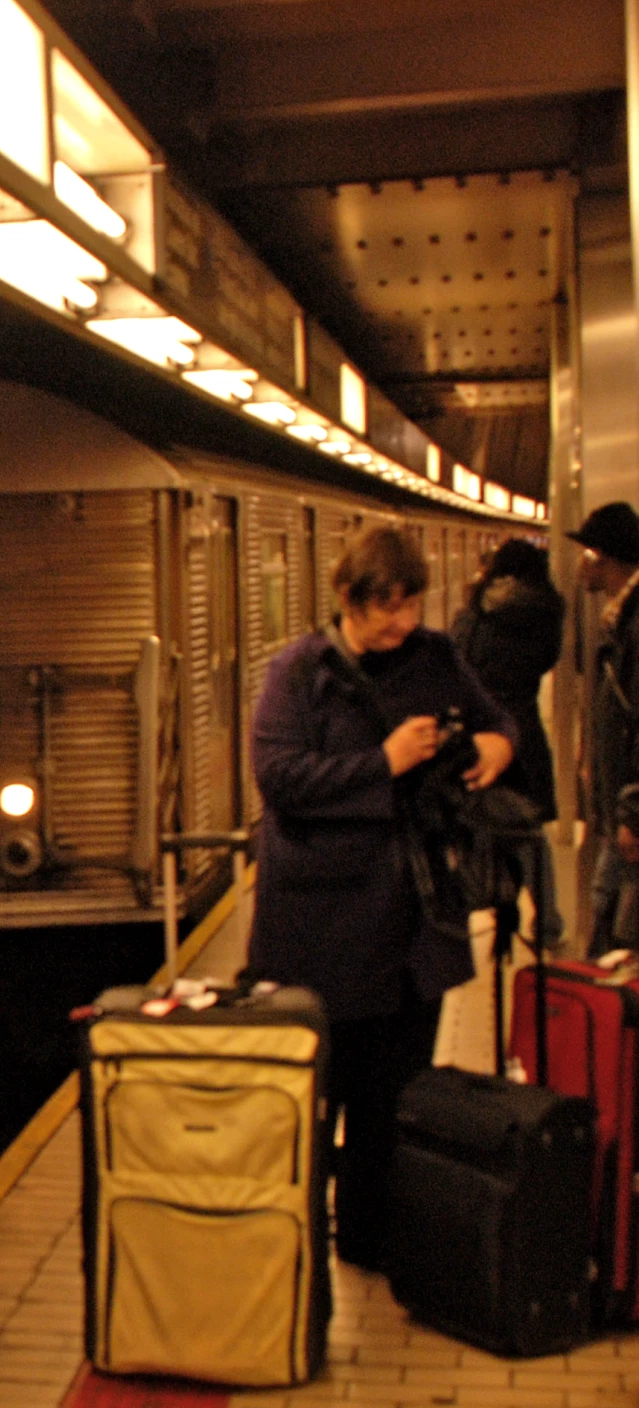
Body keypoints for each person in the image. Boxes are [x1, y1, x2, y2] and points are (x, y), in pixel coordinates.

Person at [247, 525, 514, 1270]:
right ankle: (289, 1246)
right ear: (345, 599)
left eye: (409, 605)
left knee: (394, 1096)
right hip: (321, 928)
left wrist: (499, 743)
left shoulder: (436, 659)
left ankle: (373, 1240)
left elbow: (495, 716)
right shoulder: (298, 674)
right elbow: (278, 778)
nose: (399, 623)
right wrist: (381, 764)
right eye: (382, 610)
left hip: (414, 921)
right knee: (316, 1095)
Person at [450, 538, 564, 819]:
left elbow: (459, 662)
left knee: (477, 817)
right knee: (526, 820)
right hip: (524, 726)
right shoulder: (546, 608)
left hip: (478, 731)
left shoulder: (475, 610)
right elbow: (548, 659)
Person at [575, 502, 639, 952]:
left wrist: (632, 813)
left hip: (630, 812)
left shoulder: (634, 623)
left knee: (612, 930)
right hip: (621, 807)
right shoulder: (622, 618)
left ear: (604, 558)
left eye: (587, 553)